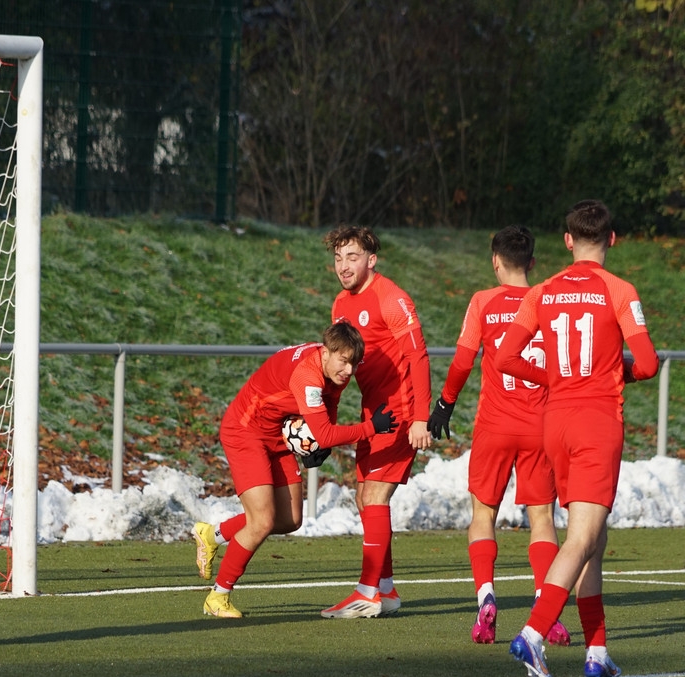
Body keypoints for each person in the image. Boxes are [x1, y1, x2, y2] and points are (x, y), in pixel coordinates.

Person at [496, 201, 658, 677]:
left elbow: (505, 357)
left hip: (556, 423)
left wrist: (553, 377)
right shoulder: (619, 290)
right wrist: (617, 373)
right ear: (612, 239)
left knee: (594, 541)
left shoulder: (542, 291)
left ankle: (597, 652)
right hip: (595, 423)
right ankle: (534, 633)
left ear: (568, 241)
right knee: (582, 538)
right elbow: (648, 363)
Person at [191, 321, 398, 618]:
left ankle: (212, 535)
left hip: (276, 433)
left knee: (290, 519)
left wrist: (318, 448)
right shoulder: (308, 376)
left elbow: (328, 409)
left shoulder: (334, 371)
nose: (349, 370)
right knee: (262, 521)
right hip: (245, 431)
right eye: (344, 361)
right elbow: (325, 433)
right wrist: (370, 428)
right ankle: (218, 596)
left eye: (354, 363)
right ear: (325, 352)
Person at [428, 225, 570, 646]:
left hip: (495, 426)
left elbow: (462, 361)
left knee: (483, 515)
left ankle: (486, 598)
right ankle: (545, 608)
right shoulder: (549, 299)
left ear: (495, 261)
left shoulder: (483, 301)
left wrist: (445, 403)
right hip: (540, 426)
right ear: (532, 263)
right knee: (541, 518)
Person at [316, 224, 432, 619]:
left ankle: (367, 592)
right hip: (373, 411)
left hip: (400, 410)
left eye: (352, 257)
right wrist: (322, 421)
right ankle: (386, 589)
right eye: (338, 258)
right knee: (364, 497)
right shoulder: (340, 303)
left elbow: (418, 357)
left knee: (374, 498)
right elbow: (338, 366)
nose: (344, 266)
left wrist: (420, 418)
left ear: (372, 260)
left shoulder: (392, 297)